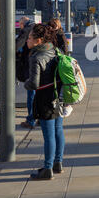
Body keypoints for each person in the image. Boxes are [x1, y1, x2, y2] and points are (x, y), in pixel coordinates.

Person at [25, 24, 65, 180]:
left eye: (29, 38)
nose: (27, 40)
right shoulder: (56, 51)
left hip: (45, 99)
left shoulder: (36, 57)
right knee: (58, 130)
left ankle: (47, 169)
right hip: (59, 96)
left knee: (48, 136)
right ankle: (58, 163)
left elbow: (34, 84)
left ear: (38, 41)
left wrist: (25, 83)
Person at [47, 18, 72, 118]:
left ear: (57, 26)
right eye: (50, 26)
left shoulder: (60, 35)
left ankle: (66, 105)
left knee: (61, 84)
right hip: (52, 62)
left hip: (58, 62)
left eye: (53, 26)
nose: (51, 28)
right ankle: (59, 105)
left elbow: (65, 50)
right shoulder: (49, 34)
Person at [16, 17, 36, 129]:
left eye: (20, 25)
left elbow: (17, 45)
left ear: (23, 24)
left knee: (31, 95)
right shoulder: (36, 27)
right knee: (36, 94)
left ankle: (31, 120)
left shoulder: (26, 30)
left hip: (29, 65)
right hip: (38, 64)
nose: (20, 27)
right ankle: (38, 118)